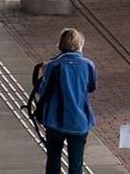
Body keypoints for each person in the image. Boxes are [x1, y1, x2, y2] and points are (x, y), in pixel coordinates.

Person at [34, 28, 97, 174]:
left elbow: (42, 90)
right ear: (80, 45)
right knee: (76, 164)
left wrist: (43, 74)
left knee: (53, 159)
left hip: (55, 121)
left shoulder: (53, 65)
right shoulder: (88, 65)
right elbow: (91, 87)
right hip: (80, 120)